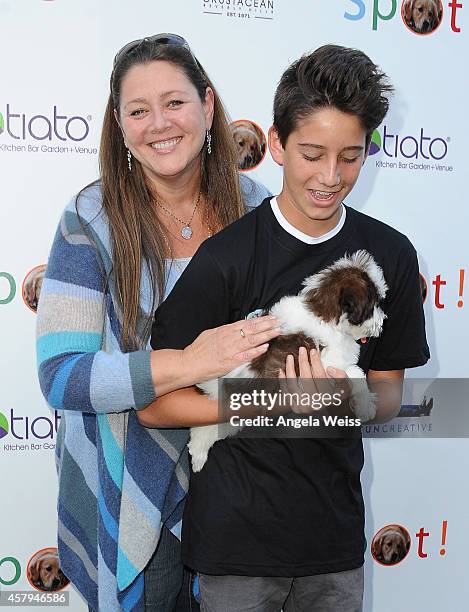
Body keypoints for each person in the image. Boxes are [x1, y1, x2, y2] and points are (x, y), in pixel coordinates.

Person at [145, 45, 430, 611]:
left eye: (350, 156)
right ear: (275, 145)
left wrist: (343, 402)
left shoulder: (391, 256)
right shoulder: (226, 259)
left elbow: (392, 391)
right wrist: (266, 403)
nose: (331, 176)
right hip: (236, 548)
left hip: (334, 544)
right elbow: (155, 404)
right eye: (311, 154)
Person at [36, 34, 280, 611]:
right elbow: (63, 375)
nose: (159, 124)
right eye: (138, 111)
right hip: (125, 493)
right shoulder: (88, 218)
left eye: (174, 102)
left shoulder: (257, 208)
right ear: (120, 126)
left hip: (236, 478)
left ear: (208, 106)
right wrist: (188, 365)